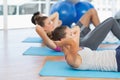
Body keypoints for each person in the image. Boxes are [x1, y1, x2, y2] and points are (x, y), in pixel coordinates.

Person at [52, 26, 120, 72]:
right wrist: (61, 43)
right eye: (70, 34)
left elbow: (77, 29)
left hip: (115, 52)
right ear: (63, 40)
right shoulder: (70, 58)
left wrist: (73, 31)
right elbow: (72, 42)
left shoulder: (74, 48)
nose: (74, 35)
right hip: (116, 61)